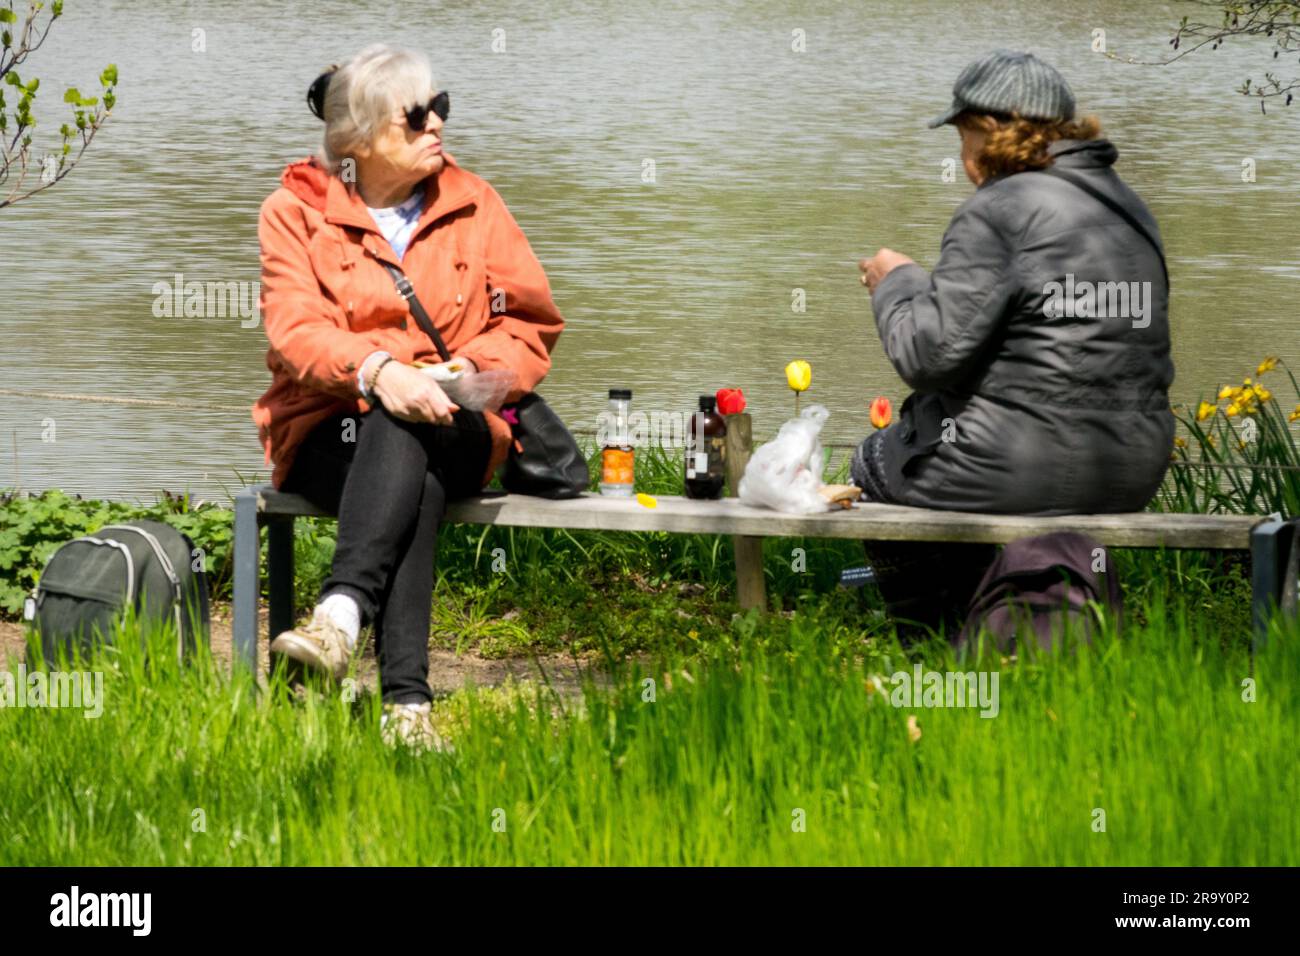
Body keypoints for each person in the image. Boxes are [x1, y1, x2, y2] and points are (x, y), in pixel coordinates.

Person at [251, 45, 564, 749]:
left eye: (440, 107)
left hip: (461, 425)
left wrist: (475, 366)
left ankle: (339, 616)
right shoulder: (293, 212)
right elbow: (294, 331)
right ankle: (407, 714)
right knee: (402, 450)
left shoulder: (476, 203)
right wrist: (376, 369)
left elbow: (529, 321)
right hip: (330, 432)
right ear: (358, 140)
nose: (437, 126)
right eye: (416, 117)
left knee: (411, 427)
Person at [852, 49, 1174, 636]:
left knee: (873, 465)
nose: (961, 155)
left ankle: (940, 646)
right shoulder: (1129, 209)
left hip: (1021, 468)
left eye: (962, 135)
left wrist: (895, 281)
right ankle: (1027, 630)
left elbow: (926, 358)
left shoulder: (1000, 210)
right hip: (1134, 464)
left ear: (987, 132)